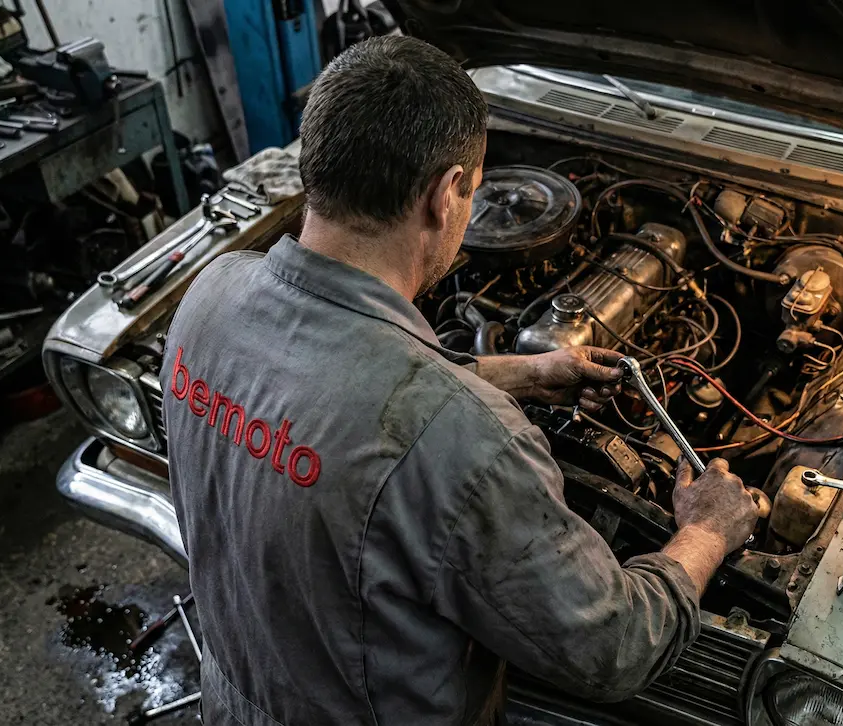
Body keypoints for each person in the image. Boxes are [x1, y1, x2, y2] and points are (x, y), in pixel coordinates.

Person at [163, 35, 759, 726]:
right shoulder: (471, 441)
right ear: (448, 195)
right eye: (474, 189)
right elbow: (613, 647)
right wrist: (706, 531)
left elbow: (337, 384)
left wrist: (521, 374)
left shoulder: (210, 294)